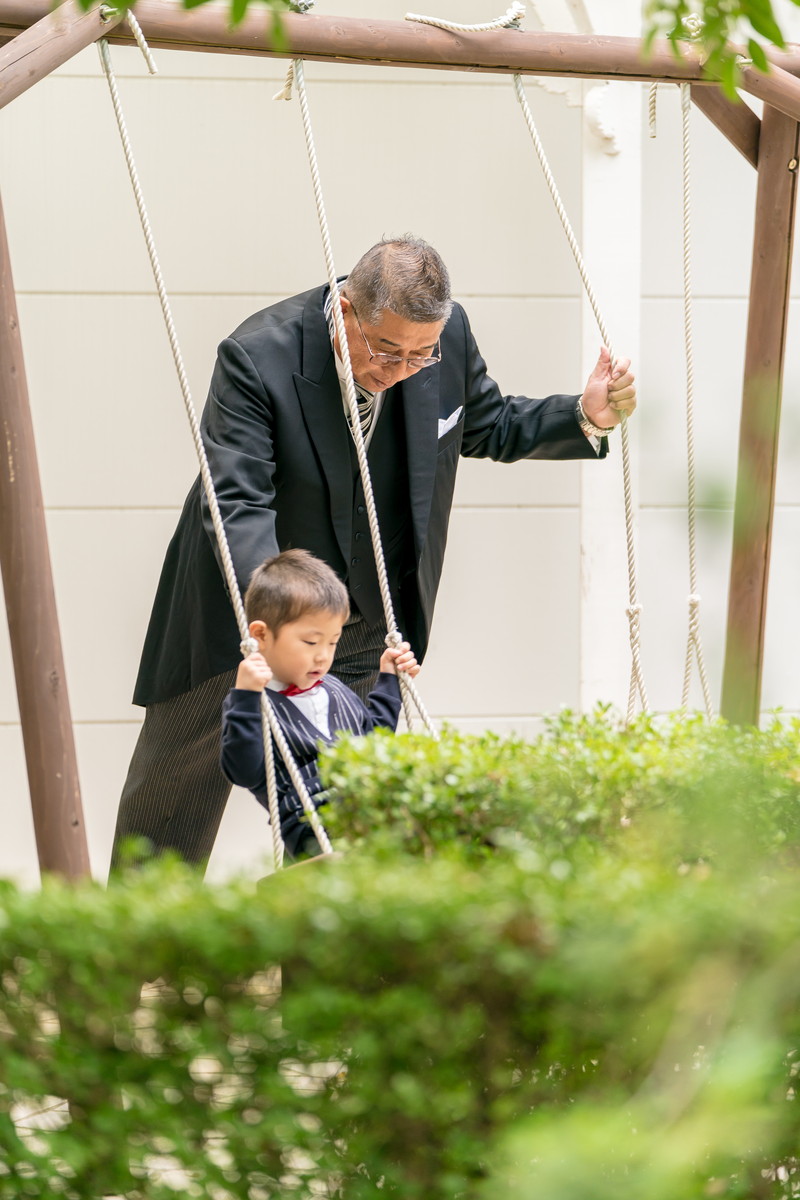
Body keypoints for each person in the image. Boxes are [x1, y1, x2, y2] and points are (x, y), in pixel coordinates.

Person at [110, 234, 636, 872]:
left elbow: (486, 421)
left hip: (361, 623)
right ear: (348, 311)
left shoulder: (445, 335)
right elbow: (236, 502)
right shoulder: (257, 355)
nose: (404, 367)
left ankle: (326, 964)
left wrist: (587, 414)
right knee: (173, 801)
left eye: (422, 355)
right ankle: (132, 963)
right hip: (240, 615)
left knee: (343, 809)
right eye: (387, 350)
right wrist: (275, 623)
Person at [221, 549, 419, 860]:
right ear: (261, 634)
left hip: (363, 809)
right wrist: (245, 694)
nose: (323, 655)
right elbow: (245, 771)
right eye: (311, 642)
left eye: (332, 641)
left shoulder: (334, 689)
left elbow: (371, 745)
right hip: (312, 827)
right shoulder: (253, 704)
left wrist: (389, 677)